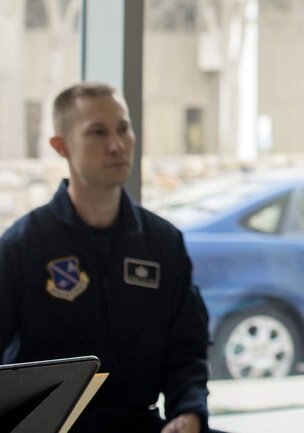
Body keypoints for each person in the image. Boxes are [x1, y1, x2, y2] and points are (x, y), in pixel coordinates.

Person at [0, 82, 211, 433]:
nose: (117, 145)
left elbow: (186, 354)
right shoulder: (23, 245)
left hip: (138, 423)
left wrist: (188, 415)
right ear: (60, 146)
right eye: (97, 132)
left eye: (124, 129)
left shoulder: (162, 243)